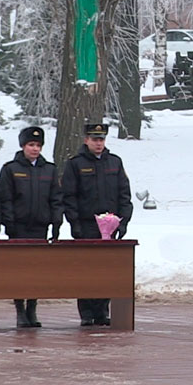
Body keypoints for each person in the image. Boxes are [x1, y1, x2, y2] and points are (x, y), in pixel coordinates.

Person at [62, 123, 133, 327]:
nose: (98, 143)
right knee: (86, 270)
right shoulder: (76, 164)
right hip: (87, 227)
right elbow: (69, 196)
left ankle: (102, 311)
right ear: (86, 140)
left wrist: (123, 221)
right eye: (94, 139)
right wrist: (74, 222)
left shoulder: (114, 162)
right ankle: (86, 312)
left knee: (106, 270)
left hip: (109, 227)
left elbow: (124, 194)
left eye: (101, 139)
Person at [0, 126, 64, 328]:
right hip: (18, 227)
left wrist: (56, 222)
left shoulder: (49, 169)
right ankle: (20, 309)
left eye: (38, 145)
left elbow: (56, 198)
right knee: (19, 270)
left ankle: (32, 308)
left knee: (36, 270)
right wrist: (8, 223)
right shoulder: (11, 169)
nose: (34, 149)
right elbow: (5, 199)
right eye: (31, 145)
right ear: (23, 146)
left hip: (40, 227)